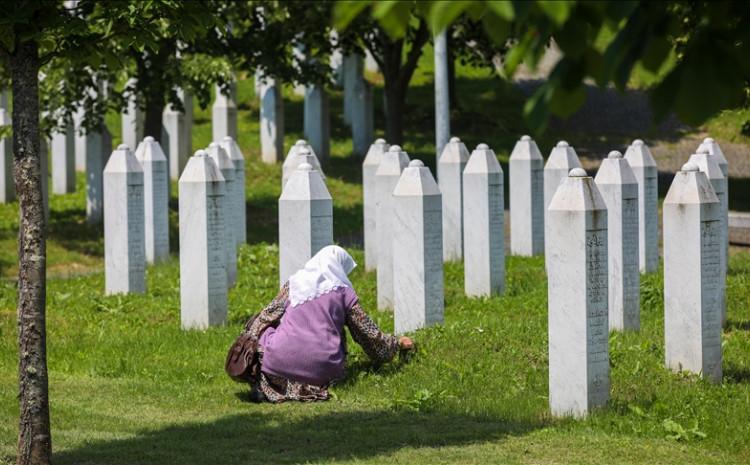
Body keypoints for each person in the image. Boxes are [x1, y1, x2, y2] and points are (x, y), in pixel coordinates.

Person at [234, 245, 414, 403]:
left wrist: (246, 343)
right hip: (323, 372)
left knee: (267, 331)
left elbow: (265, 316)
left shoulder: (294, 284)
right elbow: (368, 335)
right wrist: (394, 345)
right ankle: (301, 383)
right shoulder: (345, 294)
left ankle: (266, 387)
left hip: (277, 365)